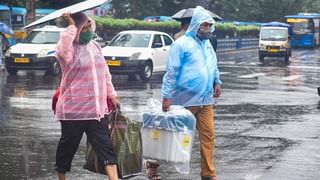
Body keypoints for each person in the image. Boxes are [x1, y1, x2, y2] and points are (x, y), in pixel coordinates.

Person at [151, 6, 222, 180]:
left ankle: (208, 173)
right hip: (183, 101)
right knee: (171, 135)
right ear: (196, 25)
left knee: (208, 136)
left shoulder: (207, 45)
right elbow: (172, 72)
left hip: (206, 101)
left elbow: (213, 65)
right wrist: (167, 96)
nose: (208, 29)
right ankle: (152, 165)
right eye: (204, 25)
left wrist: (217, 81)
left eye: (209, 26)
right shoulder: (181, 44)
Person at [54, 12, 120, 180]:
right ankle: (61, 176)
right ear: (76, 30)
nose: (88, 30)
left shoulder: (95, 47)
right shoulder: (67, 50)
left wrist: (112, 95)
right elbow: (63, 53)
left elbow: (104, 73)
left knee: (106, 147)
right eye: (84, 28)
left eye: (89, 26)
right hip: (73, 111)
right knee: (67, 148)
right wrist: (70, 27)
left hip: (96, 111)